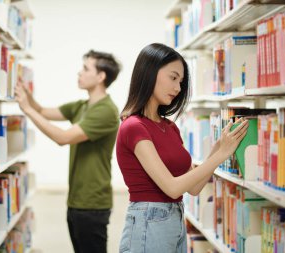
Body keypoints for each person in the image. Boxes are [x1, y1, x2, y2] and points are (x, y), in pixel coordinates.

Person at [116, 43, 249, 253]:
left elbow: (194, 188)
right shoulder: (134, 126)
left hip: (175, 221)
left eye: (181, 81)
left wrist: (217, 150)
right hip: (148, 222)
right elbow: (172, 187)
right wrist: (221, 155)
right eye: (173, 77)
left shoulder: (169, 127)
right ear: (150, 72)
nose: (178, 88)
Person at [15, 50, 121, 253]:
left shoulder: (106, 110)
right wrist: (24, 91)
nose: (79, 73)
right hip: (76, 200)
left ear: (101, 77)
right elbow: (44, 111)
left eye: (85, 68)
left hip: (92, 202)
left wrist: (26, 109)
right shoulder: (82, 106)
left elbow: (62, 138)